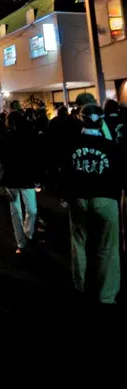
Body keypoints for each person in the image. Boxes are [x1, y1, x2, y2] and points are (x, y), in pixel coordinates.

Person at [61, 104, 122, 304]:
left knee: (79, 243)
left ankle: (79, 287)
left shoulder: (71, 144)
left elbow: (65, 172)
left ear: (80, 120)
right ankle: (107, 294)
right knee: (108, 247)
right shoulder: (111, 147)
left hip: (79, 199)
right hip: (106, 199)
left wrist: (65, 195)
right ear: (102, 122)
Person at [0, 111, 39, 253]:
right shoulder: (5, 136)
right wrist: (0, 182)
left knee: (31, 210)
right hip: (12, 179)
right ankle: (21, 243)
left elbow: (37, 158)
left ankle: (27, 233)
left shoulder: (29, 136)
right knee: (16, 211)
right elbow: (0, 160)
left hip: (26, 178)